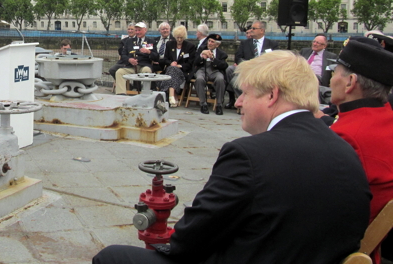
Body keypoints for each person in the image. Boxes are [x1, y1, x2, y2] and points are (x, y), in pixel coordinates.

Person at [92, 51, 371, 264]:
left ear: (272, 95)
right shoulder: (346, 150)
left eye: (244, 94)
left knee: (112, 257)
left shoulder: (248, 155)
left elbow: (190, 239)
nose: (237, 103)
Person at [329, 39, 393, 264]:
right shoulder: (384, 117)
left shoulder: (348, 135)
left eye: (335, 72)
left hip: (342, 250)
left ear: (350, 82)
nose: (330, 79)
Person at [114, 22, 159, 95]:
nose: (137, 32)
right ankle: (121, 94)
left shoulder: (151, 42)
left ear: (145, 30)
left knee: (147, 71)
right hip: (131, 66)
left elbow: (156, 57)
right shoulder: (129, 41)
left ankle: (145, 93)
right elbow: (123, 54)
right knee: (119, 72)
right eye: (136, 30)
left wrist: (149, 52)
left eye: (139, 30)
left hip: (144, 66)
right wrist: (129, 59)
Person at [157, 25, 196, 107]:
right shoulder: (169, 44)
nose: (179, 40)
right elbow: (165, 59)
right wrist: (170, 63)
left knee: (173, 70)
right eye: (177, 37)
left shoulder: (190, 46)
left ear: (184, 37)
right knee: (172, 69)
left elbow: (190, 63)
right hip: (170, 70)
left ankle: (169, 95)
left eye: (181, 38)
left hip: (183, 71)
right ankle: (173, 97)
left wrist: (180, 66)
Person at [192, 34, 228, 115]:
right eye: (209, 41)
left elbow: (224, 65)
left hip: (215, 70)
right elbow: (194, 62)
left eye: (212, 42)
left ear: (217, 44)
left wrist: (213, 59)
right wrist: (201, 56)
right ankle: (203, 104)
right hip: (202, 69)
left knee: (220, 79)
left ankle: (219, 104)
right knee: (199, 79)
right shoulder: (201, 49)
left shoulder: (222, 54)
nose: (210, 43)